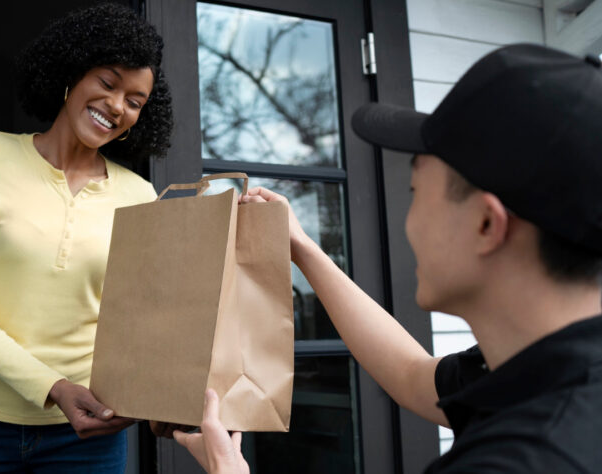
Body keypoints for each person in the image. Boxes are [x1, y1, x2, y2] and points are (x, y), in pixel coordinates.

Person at [175, 44, 602, 473]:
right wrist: (302, 247)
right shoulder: (541, 374)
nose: (408, 221)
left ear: (486, 225)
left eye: (415, 193)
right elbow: (412, 375)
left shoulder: (522, 459)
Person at [0, 4, 173, 472]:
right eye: (107, 81)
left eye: (135, 101)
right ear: (72, 74)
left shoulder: (140, 195)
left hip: (87, 439)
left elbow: (141, 323)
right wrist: (53, 388)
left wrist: (146, 399)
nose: (117, 105)